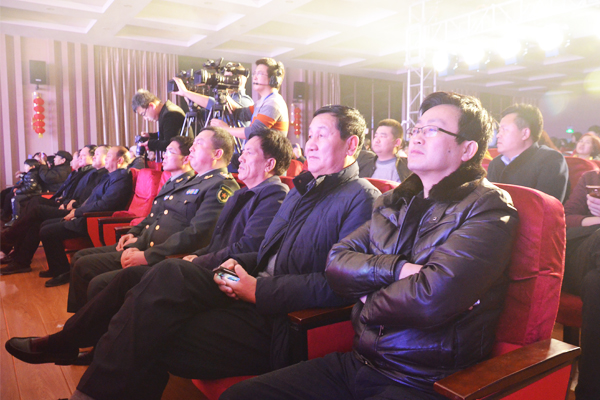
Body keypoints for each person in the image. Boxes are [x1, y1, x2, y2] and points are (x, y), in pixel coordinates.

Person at [4, 105, 380, 400]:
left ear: (351, 145)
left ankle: (73, 356)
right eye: (309, 134)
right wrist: (236, 266)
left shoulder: (362, 199)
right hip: (244, 283)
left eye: (322, 135)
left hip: (279, 313)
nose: (310, 143)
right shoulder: (301, 191)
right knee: (165, 277)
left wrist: (258, 289)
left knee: (149, 328)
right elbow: (264, 253)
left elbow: (341, 285)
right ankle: (70, 345)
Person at [221, 92, 519, 400]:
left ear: (467, 149)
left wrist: (365, 297)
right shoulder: (394, 201)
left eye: (432, 130)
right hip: (361, 361)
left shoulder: (489, 207)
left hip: (425, 379)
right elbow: (336, 262)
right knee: (239, 396)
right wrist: (399, 270)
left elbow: (432, 298)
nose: (416, 137)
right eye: (417, 128)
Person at [65, 132, 239, 311]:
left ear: (217, 153)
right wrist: (136, 237)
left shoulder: (221, 185)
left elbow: (198, 234)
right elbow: (159, 217)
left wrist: (147, 255)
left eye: (199, 143)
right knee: (83, 264)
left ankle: (85, 325)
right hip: (151, 248)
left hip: (169, 259)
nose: (192, 149)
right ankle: (80, 323)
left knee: (96, 281)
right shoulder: (195, 182)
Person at [0, 146, 108, 274]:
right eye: (78, 157)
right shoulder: (87, 172)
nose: (78, 159)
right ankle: (18, 257)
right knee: (34, 207)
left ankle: (9, 239)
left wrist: (71, 204)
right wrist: (65, 200)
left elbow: (89, 199)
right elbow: (77, 194)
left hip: (78, 212)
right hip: (70, 206)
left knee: (37, 210)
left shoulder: (97, 174)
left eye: (82, 156)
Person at [35, 147, 132, 286]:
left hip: (95, 220)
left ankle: (62, 272)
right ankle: (57, 269)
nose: (105, 158)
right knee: (45, 225)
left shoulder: (121, 178)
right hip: (86, 215)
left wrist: (77, 212)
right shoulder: (110, 176)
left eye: (109, 156)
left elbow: (105, 205)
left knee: (47, 230)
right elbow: (92, 199)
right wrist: (77, 209)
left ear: (120, 160)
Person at [561, 169, 600, 400]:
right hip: (581, 254)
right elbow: (565, 218)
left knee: (595, 284)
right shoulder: (591, 178)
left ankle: (590, 392)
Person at [487, 104, 568, 202]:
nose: (498, 135)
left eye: (505, 129)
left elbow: (545, 206)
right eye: (499, 130)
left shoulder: (550, 160)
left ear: (525, 133)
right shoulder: (495, 163)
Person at [211, 58, 289, 140]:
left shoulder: (273, 103)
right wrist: (224, 94)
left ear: (273, 79)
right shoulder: (262, 102)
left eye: (259, 74)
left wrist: (226, 129)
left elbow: (253, 132)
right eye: (254, 74)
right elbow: (241, 114)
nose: (254, 77)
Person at [132, 89, 186, 153]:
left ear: (152, 106)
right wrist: (150, 136)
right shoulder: (167, 111)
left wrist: (149, 143)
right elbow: (167, 133)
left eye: (144, 114)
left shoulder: (170, 114)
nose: (145, 118)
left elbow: (169, 144)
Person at [358, 119, 411, 183]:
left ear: (397, 142)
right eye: (376, 136)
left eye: (382, 136)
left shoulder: (408, 168)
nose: (377, 140)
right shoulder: (363, 166)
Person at [2, 159, 42, 225]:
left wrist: (18, 191)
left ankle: (16, 219)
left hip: (34, 193)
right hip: (32, 192)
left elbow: (31, 187)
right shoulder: (32, 173)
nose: (24, 167)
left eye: (26, 166)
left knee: (15, 199)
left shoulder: (32, 175)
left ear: (33, 167)